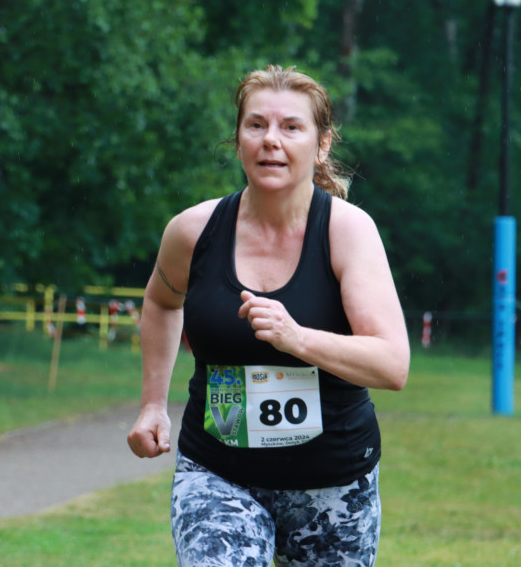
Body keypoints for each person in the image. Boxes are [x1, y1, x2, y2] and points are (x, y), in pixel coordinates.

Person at [127, 64, 410, 566]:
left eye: (291, 127)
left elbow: (392, 364)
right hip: (217, 473)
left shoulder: (348, 233)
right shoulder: (193, 232)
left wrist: (296, 338)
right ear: (237, 141)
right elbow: (160, 300)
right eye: (255, 125)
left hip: (334, 484)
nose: (270, 141)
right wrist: (153, 404)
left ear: (322, 144)